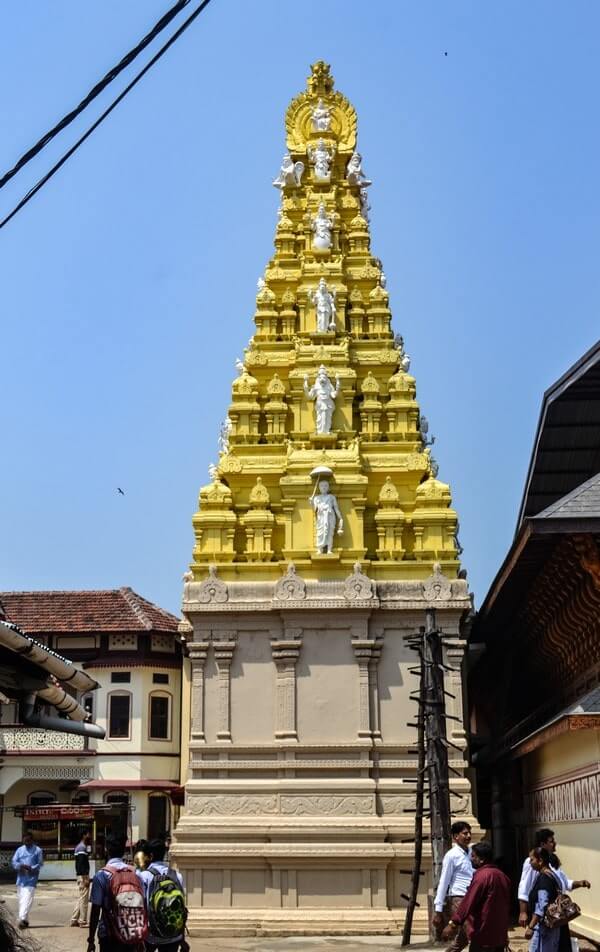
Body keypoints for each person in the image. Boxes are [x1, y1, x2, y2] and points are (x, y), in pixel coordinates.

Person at [518, 827, 591, 951]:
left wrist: (579, 883)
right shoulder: (531, 864)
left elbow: (563, 883)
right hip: (545, 918)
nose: (554, 843)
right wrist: (523, 911)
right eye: (551, 841)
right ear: (542, 844)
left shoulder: (551, 864)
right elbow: (524, 887)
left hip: (556, 915)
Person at [442, 841, 511, 952]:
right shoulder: (502, 876)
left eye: (473, 856)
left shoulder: (482, 877)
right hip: (499, 935)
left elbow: (468, 902)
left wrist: (453, 924)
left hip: (483, 935)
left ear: (482, 859)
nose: (471, 859)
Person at [88, 834, 147, 952]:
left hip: (108, 933)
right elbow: (143, 904)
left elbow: (96, 909)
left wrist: (91, 939)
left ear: (106, 849)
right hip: (131, 931)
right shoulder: (135, 874)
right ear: (123, 851)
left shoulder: (101, 876)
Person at [136, 839, 189, 952]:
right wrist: (182, 939)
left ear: (150, 856)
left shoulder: (144, 876)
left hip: (151, 935)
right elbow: (181, 909)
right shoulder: (177, 876)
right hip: (173, 935)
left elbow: (141, 907)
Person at [433, 821, 473, 952]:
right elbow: (444, 882)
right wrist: (438, 910)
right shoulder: (451, 855)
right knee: (472, 932)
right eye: (464, 833)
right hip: (459, 899)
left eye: (469, 833)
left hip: (473, 897)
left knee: (463, 939)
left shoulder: (473, 852)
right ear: (456, 837)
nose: (468, 836)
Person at [524, 847, 561, 952]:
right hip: (551, 926)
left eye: (532, 860)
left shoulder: (544, 878)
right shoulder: (552, 875)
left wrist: (531, 927)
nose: (530, 863)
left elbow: (541, 906)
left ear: (540, 861)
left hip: (544, 928)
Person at [11, 831, 43, 930]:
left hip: (31, 879)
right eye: (25, 841)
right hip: (20, 879)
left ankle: (21, 919)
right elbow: (14, 862)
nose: (26, 842)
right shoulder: (19, 850)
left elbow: (40, 864)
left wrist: (31, 868)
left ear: (32, 840)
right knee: (21, 901)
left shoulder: (38, 850)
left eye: (28, 841)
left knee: (27, 900)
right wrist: (20, 865)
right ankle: (26, 921)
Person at [70, 831, 92, 928]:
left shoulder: (79, 847)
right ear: (84, 835)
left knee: (81, 898)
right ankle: (83, 921)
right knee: (84, 900)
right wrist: (85, 877)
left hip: (80, 875)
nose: (90, 836)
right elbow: (81, 864)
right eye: (88, 834)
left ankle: (74, 919)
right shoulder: (82, 848)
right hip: (83, 876)